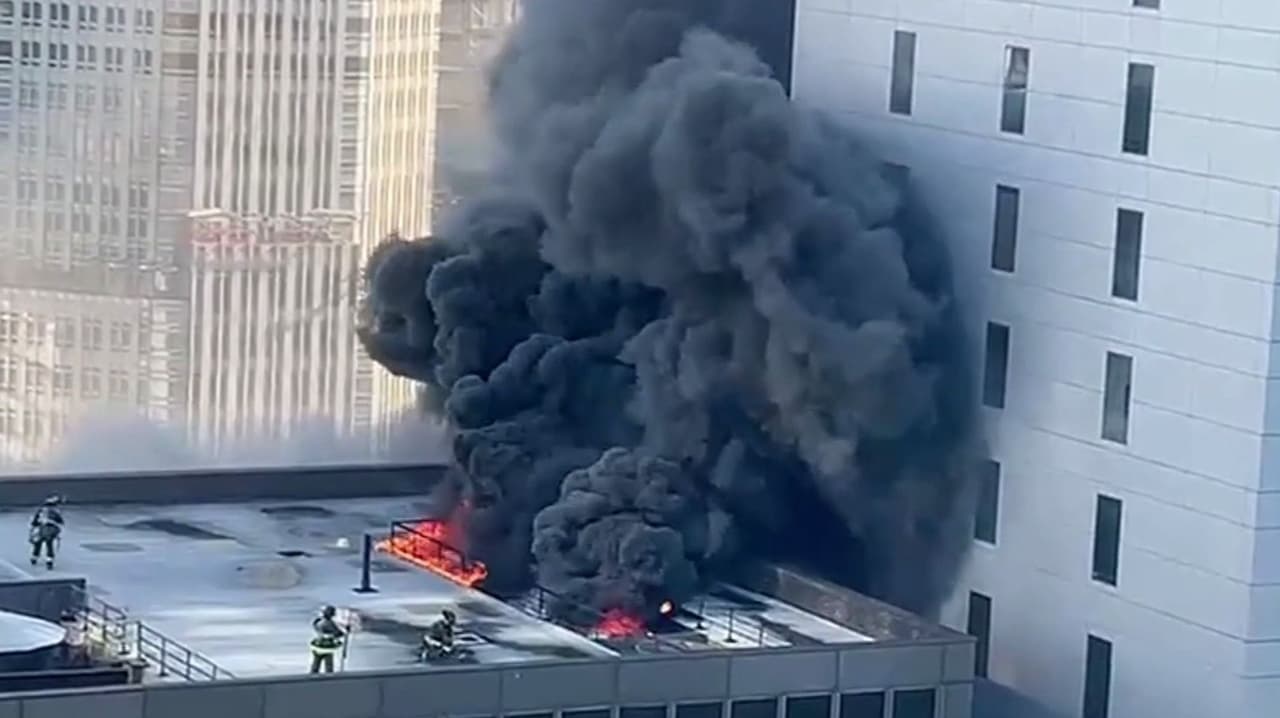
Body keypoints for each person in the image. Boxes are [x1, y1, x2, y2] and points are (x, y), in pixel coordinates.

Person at [29, 495, 64, 570]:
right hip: (50, 530)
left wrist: (33, 528)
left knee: (38, 543)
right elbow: (61, 522)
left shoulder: (42, 511)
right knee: (48, 544)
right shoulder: (55, 512)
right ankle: (48, 560)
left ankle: (35, 557)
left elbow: (35, 521)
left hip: (43, 529)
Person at [309, 605, 346, 674]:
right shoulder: (328, 623)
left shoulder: (318, 622)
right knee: (328, 664)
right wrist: (344, 631)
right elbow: (337, 633)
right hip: (326, 647)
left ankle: (313, 674)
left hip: (317, 645)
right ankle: (328, 676)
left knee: (316, 662)